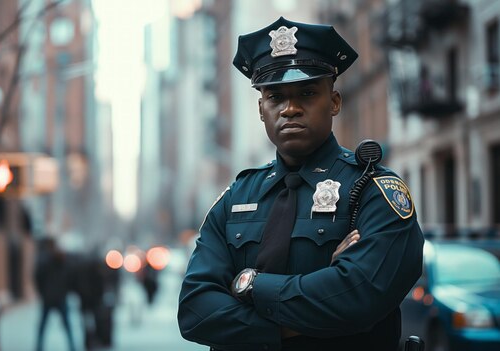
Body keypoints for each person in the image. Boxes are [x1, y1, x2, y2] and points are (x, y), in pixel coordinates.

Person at [177, 17, 424, 351]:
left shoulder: (373, 190)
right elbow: (195, 312)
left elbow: (358, 298)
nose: (290, 108)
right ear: (261, 109)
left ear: (334, 102)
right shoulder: (236, 197)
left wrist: (248, 286)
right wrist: (305, 317)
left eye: (307, 93)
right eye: (275, 97)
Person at [33, 237, 76, 351]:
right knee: (64, 326)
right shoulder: (54, 260)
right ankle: (72, 347)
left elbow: (38, 277)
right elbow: (38, 277)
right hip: (55, 297)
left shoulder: (50, 260)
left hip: (53, 297)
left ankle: (39, 347)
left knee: (47, 326)